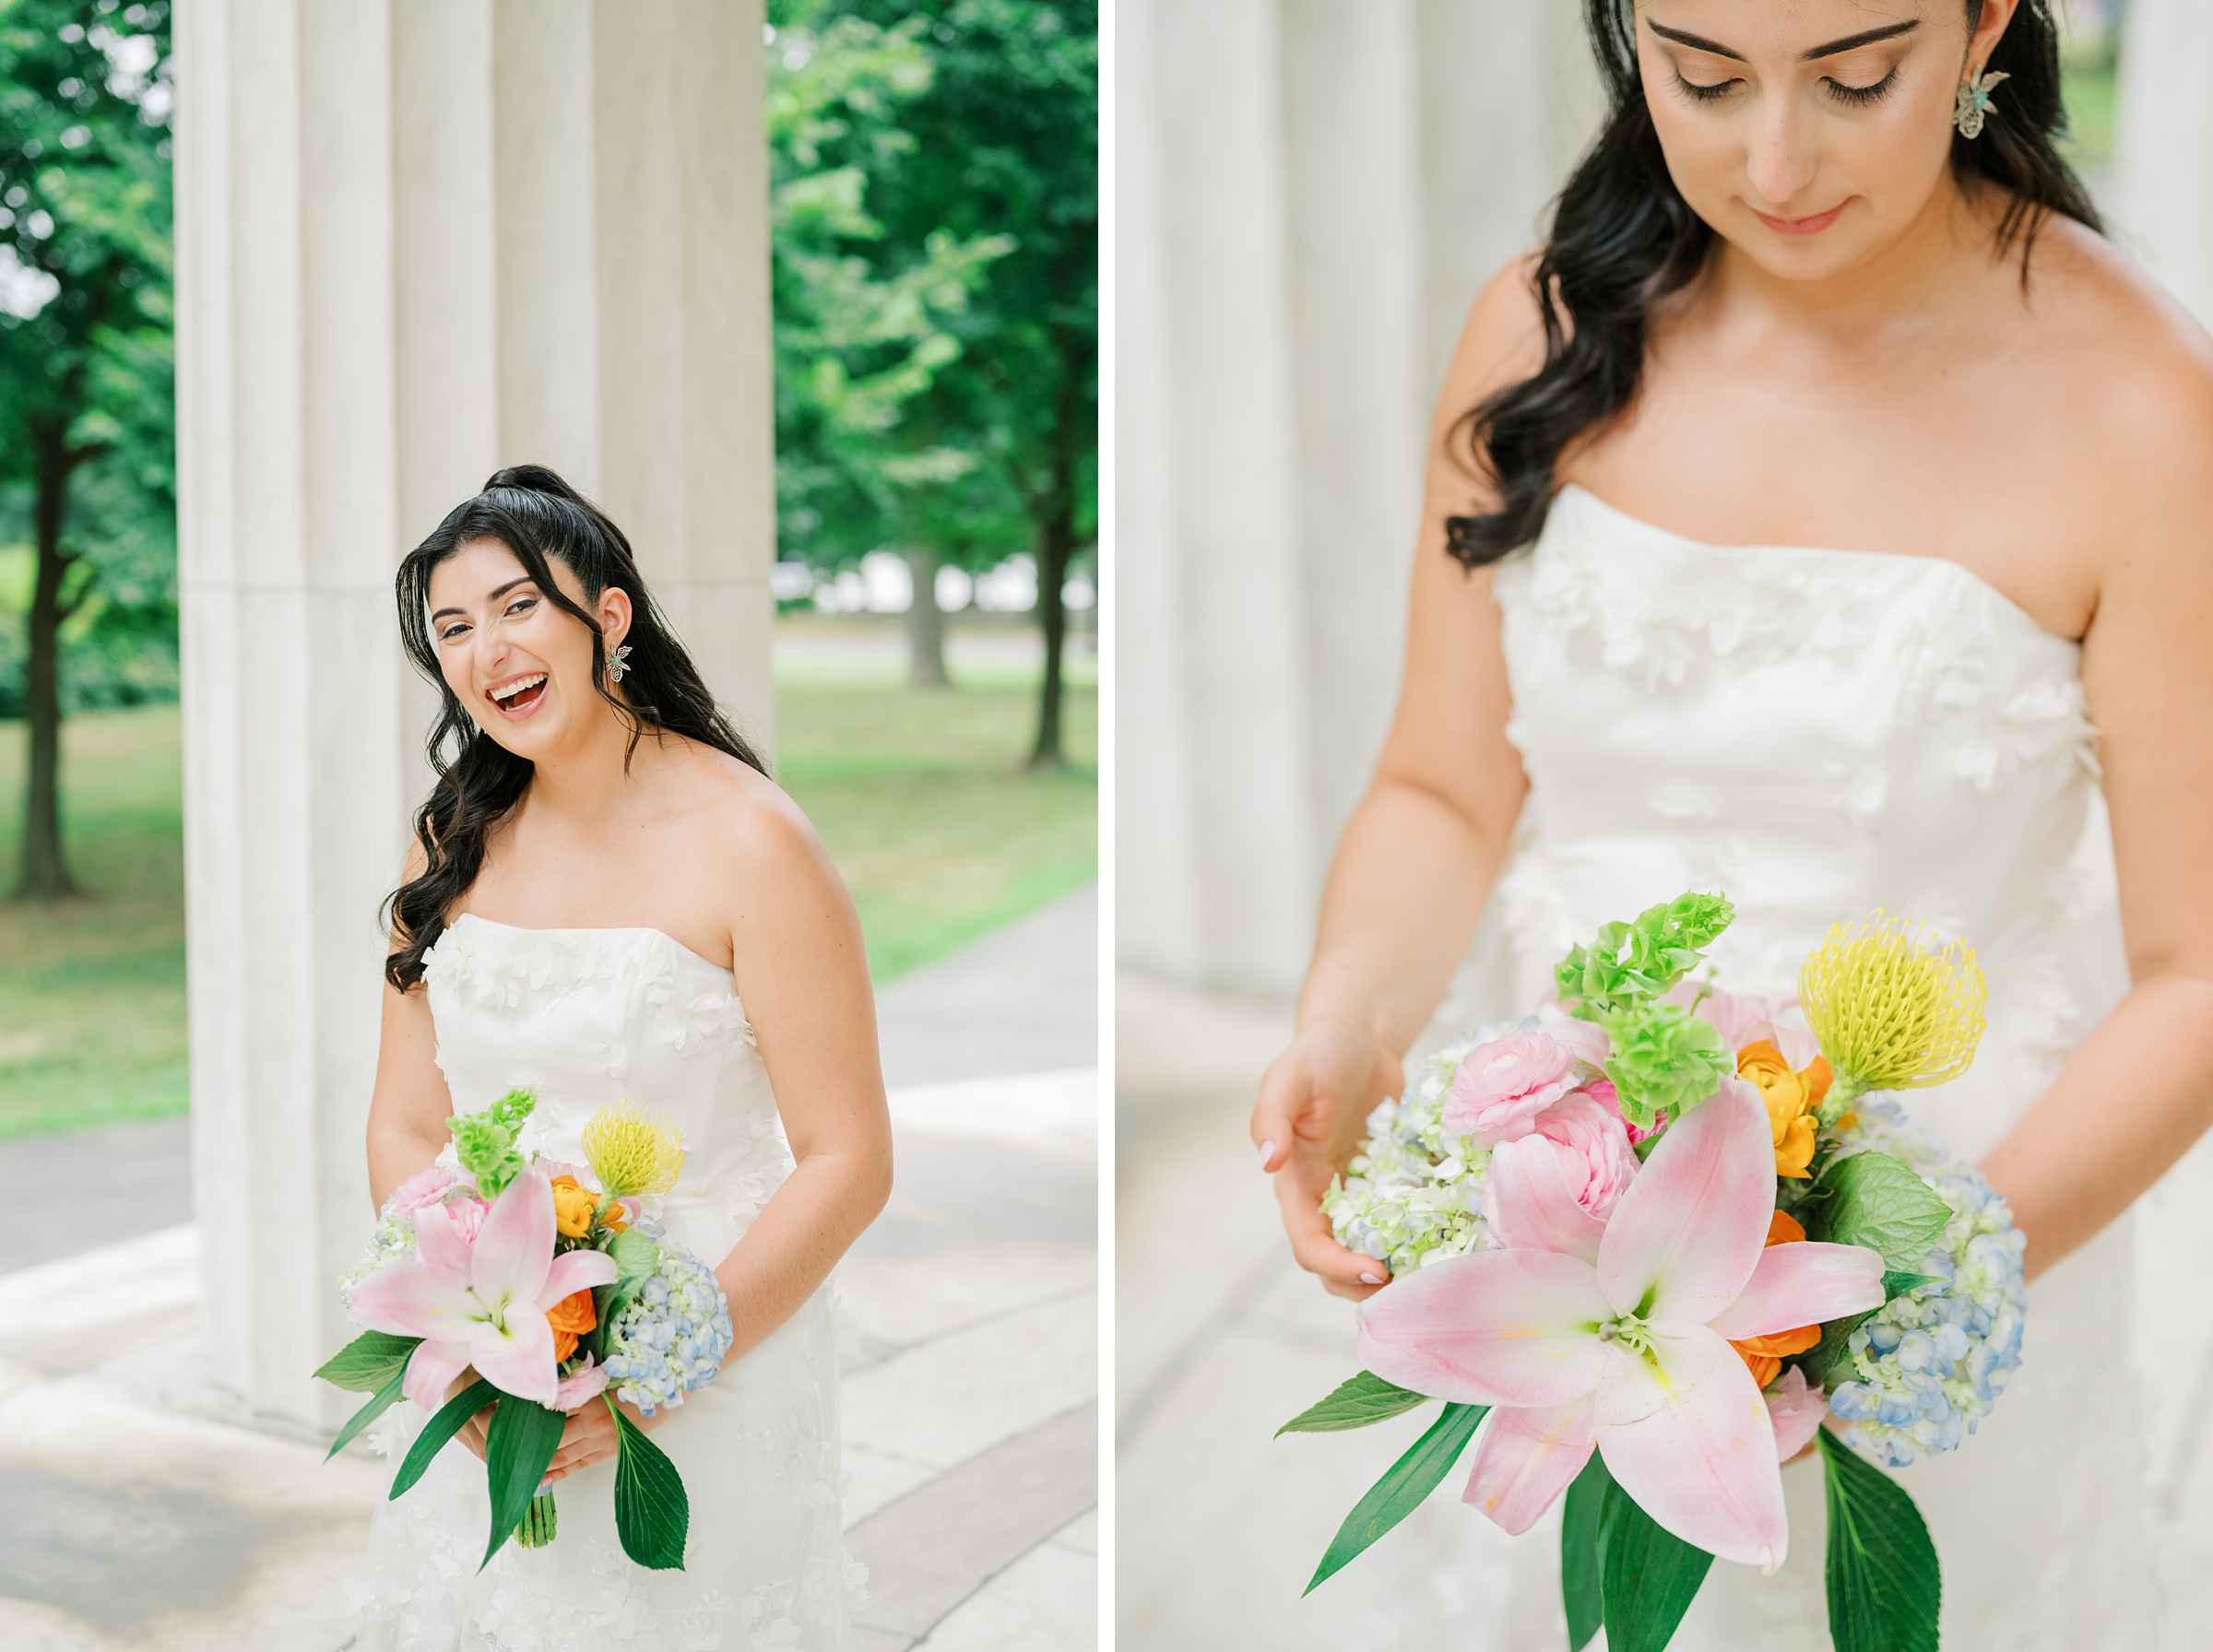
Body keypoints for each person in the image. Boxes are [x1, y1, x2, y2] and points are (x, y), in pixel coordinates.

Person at [1249, 2, 2213, 1646]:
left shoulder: (2136, 398)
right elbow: (1443, 782)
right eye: (1702, 78)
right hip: (1574, 1242)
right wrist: (1351, 1018)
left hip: (1958, 1234)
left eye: (1856, 78)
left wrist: (1895, 1287)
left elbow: (2198, 969)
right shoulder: (1541, 325)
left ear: (1984, 21)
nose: (1773, 163)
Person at [353, 466, 889, 1650]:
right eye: (453, 628)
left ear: (608, 615)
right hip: (496, 1361)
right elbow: (403, 1123)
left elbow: (849, 1159)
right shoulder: (448, 841)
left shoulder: (752, 841)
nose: (488, 649)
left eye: (516, 605)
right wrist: (470, 1338)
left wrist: (649, 1372)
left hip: (710, 1350)